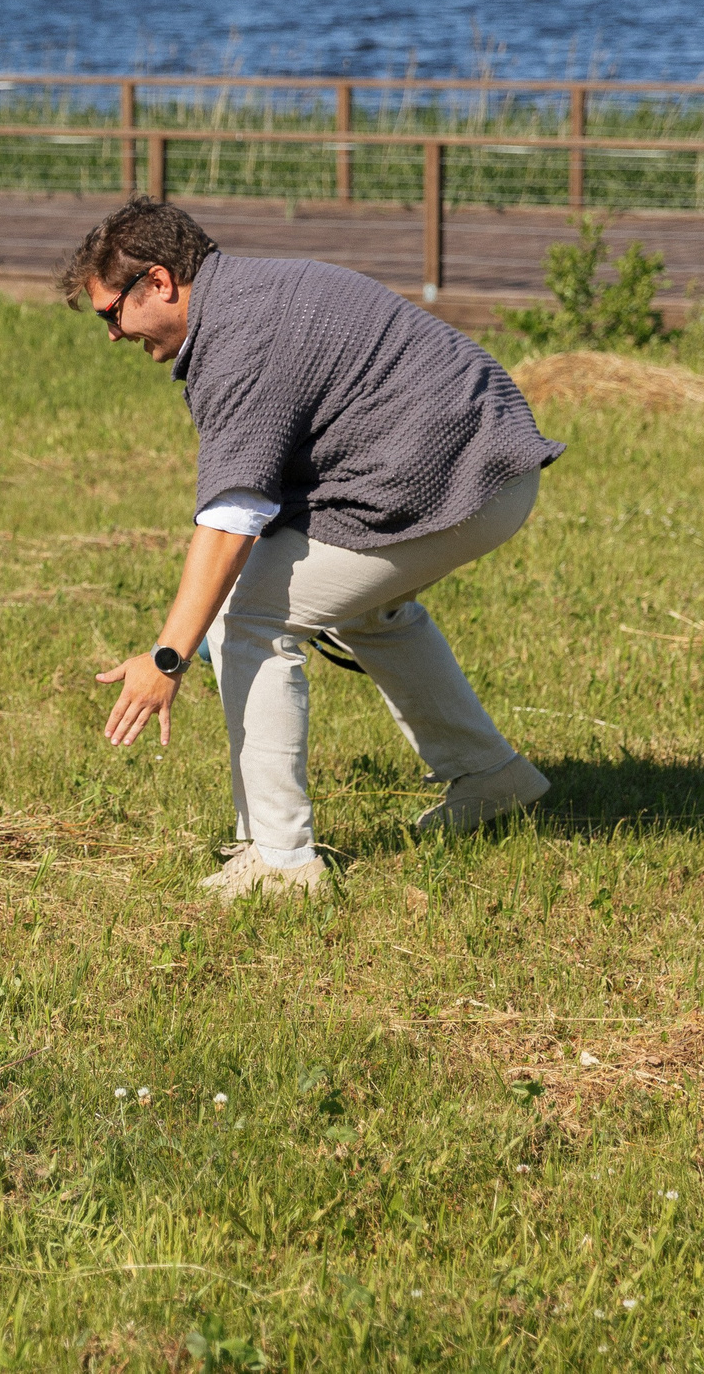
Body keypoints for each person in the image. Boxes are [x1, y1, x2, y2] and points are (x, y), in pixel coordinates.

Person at [62, 199, 565, 900]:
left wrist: (168, 656)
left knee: (248, 616)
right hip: (487, 459)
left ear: (160, 281)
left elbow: (233, 516)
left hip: (461, 477)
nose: (114, 334)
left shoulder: (238, 339)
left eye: (111, 313)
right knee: (359, 609)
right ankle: (490, 776)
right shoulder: (247, 296)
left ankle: (281, 860)